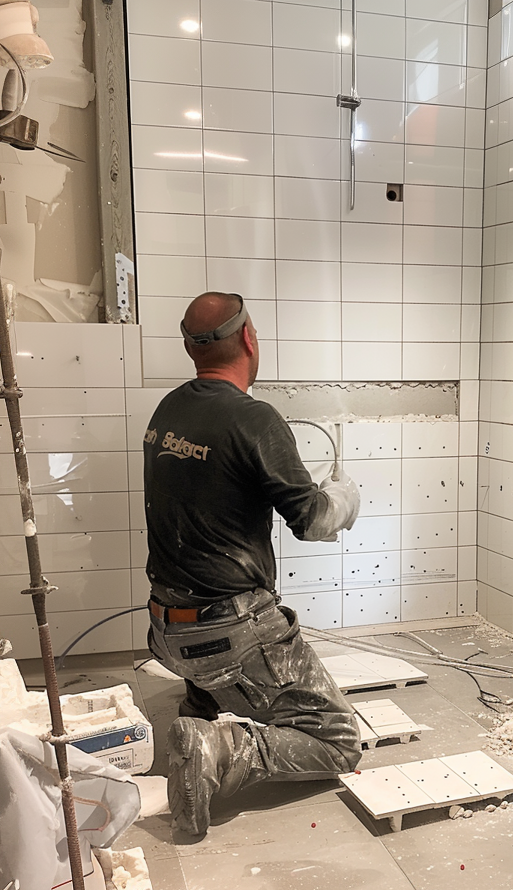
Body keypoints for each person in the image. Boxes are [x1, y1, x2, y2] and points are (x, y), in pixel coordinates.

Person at [143, 291, 362, 837]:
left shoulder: (169, 409)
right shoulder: (253, 418)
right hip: (228, 634)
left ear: (190, 348)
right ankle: (220, 747)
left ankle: (202, 702)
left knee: (212, 619)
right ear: (247, 337)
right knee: (338, 740)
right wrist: (345, 497)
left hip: (165, 630)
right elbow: (312, 521)